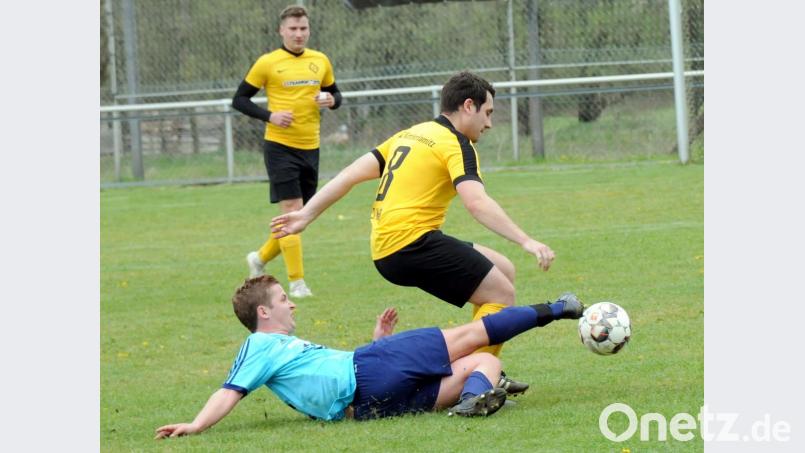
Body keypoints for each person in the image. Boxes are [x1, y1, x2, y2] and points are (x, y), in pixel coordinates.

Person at [270, 71, 555, 392]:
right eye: (488, 113)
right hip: (412, 245)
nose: (488, 124)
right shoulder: (457, 144)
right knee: (501, 294)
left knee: (503, 269)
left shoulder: (412, 133)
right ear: (468, 106)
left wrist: (306, 214)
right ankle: (472, 378)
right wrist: (526, 240)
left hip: (389, 246)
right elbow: (477, 203)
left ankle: (480, 367)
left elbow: (349, 174)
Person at [154, 275, 583, 438]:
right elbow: (230, 390)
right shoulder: (260, 346)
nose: (293, 305)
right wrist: (195, 425)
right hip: (369, 369)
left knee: (486, 363)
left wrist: (377, 340)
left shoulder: (282, 351)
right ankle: (556, 308)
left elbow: (323, 378)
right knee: (472, 336)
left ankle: (477, 397)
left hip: (366, 406)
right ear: (263, 312)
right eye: (285, 299)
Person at [232, 4, 343, 298]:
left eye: (303, 28)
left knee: (300, 218)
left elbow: (337, 95)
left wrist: (330, 100)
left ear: (308, 30)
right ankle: (297, 283)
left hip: (311, 146)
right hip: (280, 147)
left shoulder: (320, 60)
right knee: (292, 211)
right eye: (292, 29)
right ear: (281, 30)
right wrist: (270, 116)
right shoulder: (268, 63)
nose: (298, 34)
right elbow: (239, 99)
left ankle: (259, 258)